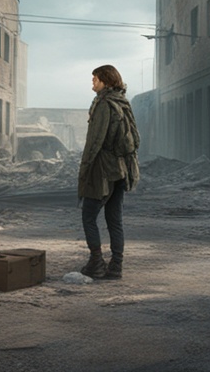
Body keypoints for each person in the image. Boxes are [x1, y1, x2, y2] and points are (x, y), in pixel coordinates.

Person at [78, 64, 140, 280]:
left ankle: (96, 263)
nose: (92, 82)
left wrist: (85, 167)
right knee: (115, 219)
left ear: (105, 80)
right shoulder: (122, 102)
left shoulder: (104, 104)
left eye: (95, 79)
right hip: (122, 169)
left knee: (88, 216)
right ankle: (116, 267)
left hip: (104, 170)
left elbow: (95, 141)